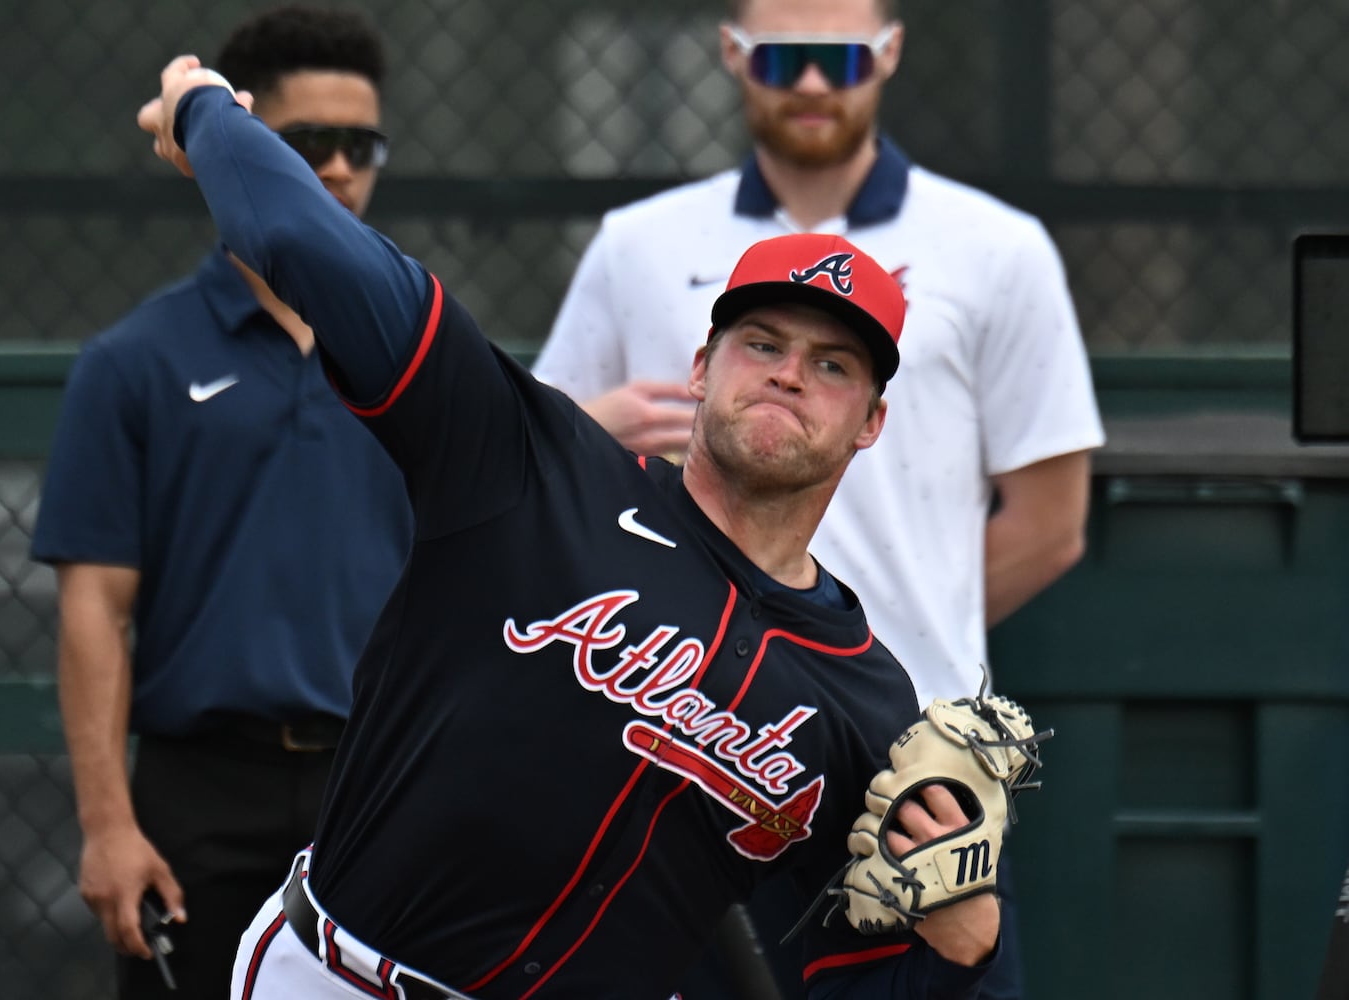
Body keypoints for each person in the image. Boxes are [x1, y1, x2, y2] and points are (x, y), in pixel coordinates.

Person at [136, 54, 1013, 1000]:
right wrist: (205, 111)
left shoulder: (866, 704)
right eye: (762, 343)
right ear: (701, 364)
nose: (790, 373)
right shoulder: (529, 464)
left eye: (834, 364)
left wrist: (963, 942)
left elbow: (864, 977)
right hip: (339, 977)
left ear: (873, 422)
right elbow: (312, 246)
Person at [533, 0, 1105, 995]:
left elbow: (1050, 524)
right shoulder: (637, 244)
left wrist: (852, 678)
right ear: (731, 55)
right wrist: (592, 428)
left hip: (912, 784)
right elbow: (542, 477)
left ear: (888, 55)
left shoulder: (1000, 248)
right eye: (783, 57)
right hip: (676, 748)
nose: (809, 84)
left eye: (838, 58)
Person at [30, 8, 411, 998]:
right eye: (304, 143)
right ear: (241, 149)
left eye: (358, 144)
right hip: (197, 796)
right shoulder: (133, 362)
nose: (334, 168)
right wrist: (109, 827)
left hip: (381, 787)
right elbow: (95, 608)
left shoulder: (416, 354)